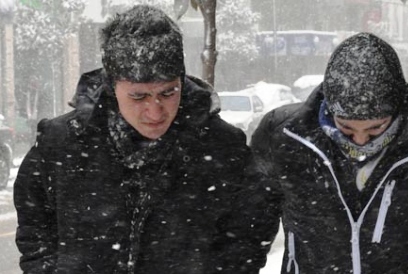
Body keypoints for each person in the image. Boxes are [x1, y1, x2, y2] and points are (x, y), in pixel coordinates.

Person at [14, 5, 281, 274]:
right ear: (112, 85)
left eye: (168, 93)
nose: (155, 112)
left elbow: (251, 231)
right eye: (138, 96)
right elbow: (34, 230)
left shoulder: (222, 148)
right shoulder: (61, 144)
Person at [250, 32, 408, 273]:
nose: (361, 140)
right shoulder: (286, 137)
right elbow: (249, 228)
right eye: (345, 127)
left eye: (376, 128)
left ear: (397, 109)